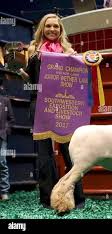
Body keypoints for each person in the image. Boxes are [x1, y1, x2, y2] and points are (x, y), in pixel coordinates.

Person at [19, 13, 85, 208]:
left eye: (56, 26)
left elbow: (76, 82)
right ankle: (48, 198)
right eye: (48, 26)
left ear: (60, 29)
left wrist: (77, 62)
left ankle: (77, 198)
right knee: (44, 154)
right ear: (42, 28)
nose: (52, 29)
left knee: (69, 151)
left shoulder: (68, 51)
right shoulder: (33, 50)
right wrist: (25, 76)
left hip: (64, 105)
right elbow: (29, 83)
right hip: (39, 105)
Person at [0, 71, 15, 200]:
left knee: (2, 162)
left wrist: (5, 131)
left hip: (2, 137)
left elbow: (11, 119)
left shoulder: (5, 101)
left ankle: (4, 191)